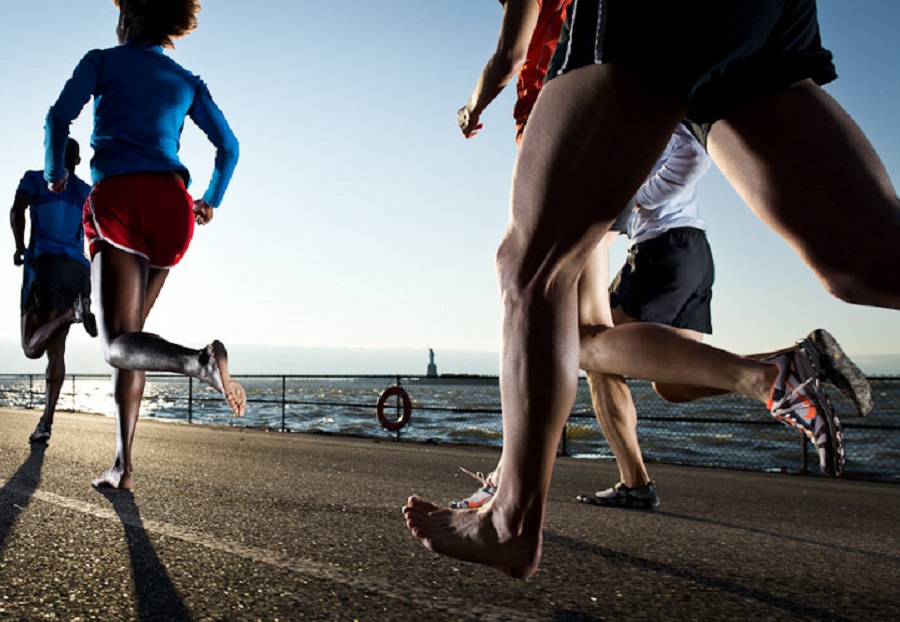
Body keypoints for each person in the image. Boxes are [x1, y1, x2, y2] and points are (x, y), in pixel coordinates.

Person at [404, 0, 894, 578]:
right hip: (751, 25)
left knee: (539, 278)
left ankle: (509, 517)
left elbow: (509, 53)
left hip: (623, 66)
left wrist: (472, 106)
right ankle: (595, 474)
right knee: (865, 263)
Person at [44, 0, 246, 491]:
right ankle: (122, 466)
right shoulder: (186, 81)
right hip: (174, 210)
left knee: (114, 345)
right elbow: (229, 147)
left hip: (121, 201)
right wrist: (211, 200)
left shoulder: (102, 61)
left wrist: (55, 174)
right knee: (133, 342)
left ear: (129, 18)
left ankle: (198, 362)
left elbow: (57, 119)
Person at [10, 138, 97, 444]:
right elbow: (96, 231)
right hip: (76, 270)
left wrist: (20, 247)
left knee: (31, 348)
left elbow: (16, 211)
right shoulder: (86, 191)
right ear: (77, 162)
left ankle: (68, 315)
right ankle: (46, 423)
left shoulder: (34, 179)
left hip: (43, 266)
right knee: (56, 353)